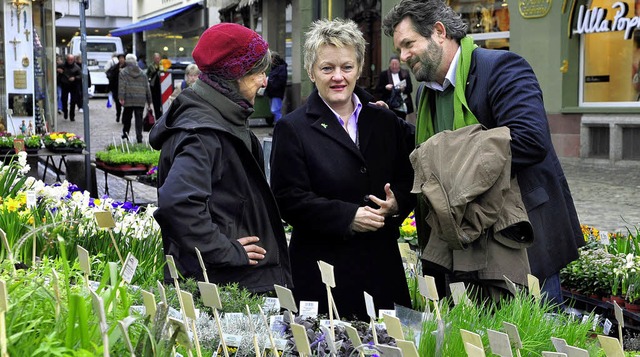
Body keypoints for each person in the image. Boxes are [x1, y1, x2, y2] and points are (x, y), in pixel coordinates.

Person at [382, 0, 584, 305]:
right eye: (399, 49)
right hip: (464, 248)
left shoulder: (502, 68)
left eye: (409, 44)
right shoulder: (425, 93)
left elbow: (531, 140)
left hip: (520, 241)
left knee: (533, 347)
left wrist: (446, 157)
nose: (403, 56)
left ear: (438, 32)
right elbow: (428, 167)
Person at [269, 18, 414, 320]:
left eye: (347, 67)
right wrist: (348, 217)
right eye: (327, 68)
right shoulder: (292, 128)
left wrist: (397, 201)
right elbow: (288, 199)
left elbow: (409, 177)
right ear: (311, 72)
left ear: (359, 69)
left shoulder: (385, 122)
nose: (338, 77)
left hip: (380, 268)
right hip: (322, 273)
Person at [149, 23, 292, 294]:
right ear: (235, 75)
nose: (265, 81)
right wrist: (226, 250)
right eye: (259, 72)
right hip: (227, 283)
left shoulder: (221, 117)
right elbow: (178, 204)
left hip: (232, 279)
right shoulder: (204, 132)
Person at [118, 54, 152, 143]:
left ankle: (125, 134)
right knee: (139, 119)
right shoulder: (142, 73)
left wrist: (121, 97)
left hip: (128, 98)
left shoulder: (123, 72)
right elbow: (147, 87)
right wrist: (149, 101)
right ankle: (139, 137)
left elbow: (122, 86)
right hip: (140, 98)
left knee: (127, 117)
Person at [375, 54, 414, 120]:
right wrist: (386, 87)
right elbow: (378, 89)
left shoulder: (405, 73)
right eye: (392, 64)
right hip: (390, 104)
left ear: (399, 64)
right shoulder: (384, 74)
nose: (394, 66)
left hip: (402, 103)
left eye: (396, 64)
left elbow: (410, 89)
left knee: (401, 122)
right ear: (389, 64)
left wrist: (403, 89)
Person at [57, 53, 81, 121]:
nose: (70, 61)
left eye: (71, 60)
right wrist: (58, 70)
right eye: (69, 60)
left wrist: (75, 78)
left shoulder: (77, 67)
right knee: (64, 100)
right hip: (65, 84)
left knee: (73, 101)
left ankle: (72, 116)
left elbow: (80, 76)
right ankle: (65, 111)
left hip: (73, 85)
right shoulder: (62, 65)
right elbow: (55, 67)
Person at [265, 52, 288, 123]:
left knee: (276, 110)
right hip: (273, 92)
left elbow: (280, 81)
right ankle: (277, 126)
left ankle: (278, 126)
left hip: (276, 92)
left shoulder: (280, 68)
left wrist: (271, 83)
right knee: (275, 110)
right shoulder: (276, 68)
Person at [106, 53, 125, 122]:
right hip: (116, 87)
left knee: (125, 103)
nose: (121, 60)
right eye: (120, 58)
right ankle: (118, 115)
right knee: (117, 103)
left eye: (122, 58)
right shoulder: (115, 67)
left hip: (125, 88)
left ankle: (124, 117)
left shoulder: (127, 67)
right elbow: (109, 74)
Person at [147, 52, 164, 118]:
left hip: (162, 86)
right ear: (153, 59)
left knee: (162, 101)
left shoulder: (162, 65)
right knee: (156, 102)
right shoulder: (151, 66)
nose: (157, 59)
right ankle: (157, 116)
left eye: (158, 58)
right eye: (156, 58)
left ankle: (162, 115)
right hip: (154, 86)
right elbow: (147, 74)